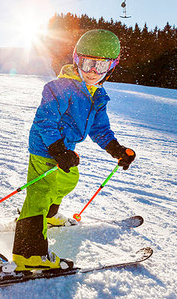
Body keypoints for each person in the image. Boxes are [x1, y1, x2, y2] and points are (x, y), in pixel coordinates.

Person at [12, 29, 136, 271]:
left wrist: (117, 149)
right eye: (88, 63)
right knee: (40, 192)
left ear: (111, 68)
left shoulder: (97, 95)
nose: (92, 71)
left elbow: (100, 129)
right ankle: (28, 255)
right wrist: (57, 149)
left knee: (68, 181)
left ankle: (49, 215)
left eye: (101, 66)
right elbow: (44, 122)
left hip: (65, 148)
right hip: (44, 146)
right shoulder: (59, 88)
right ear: (76, 59)